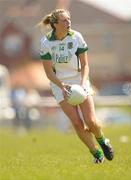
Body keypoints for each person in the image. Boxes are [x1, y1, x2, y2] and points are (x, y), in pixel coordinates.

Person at [39, 9, 114, 163]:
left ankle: (103, 141)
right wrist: (62, 86)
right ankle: (97, 154)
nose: (68, 23)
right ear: (55, 24)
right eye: (64, 20)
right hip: (59, 84)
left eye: (69, 19)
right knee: (77, 124)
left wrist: (83, 83)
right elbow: (48, 73)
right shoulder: (46, 42)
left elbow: (86, 65)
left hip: (80, 80)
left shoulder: (76, 37)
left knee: (91, 122)